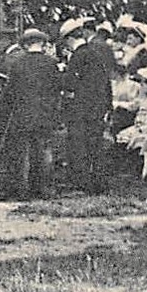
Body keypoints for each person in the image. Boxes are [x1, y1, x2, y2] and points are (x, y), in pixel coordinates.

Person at [1, 28, 63, 200]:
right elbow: (58, 88)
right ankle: (44, 189)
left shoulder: (17, 64)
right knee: (44, 152)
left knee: (23, 154)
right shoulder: (51, 63)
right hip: (45, 114)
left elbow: (10, 93)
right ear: (42, 43)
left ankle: (22, 190)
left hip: (23, 115)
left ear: (26, 45)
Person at [65, 22, 118, 193]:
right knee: (96, 146)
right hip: (98, 106)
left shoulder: (78, 56)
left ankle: (83, 184)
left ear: (70, 39)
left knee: (80, 146)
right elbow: (106, 82)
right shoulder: (96, 53)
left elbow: (71, 84)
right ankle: (100, 183)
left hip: (83, 109)